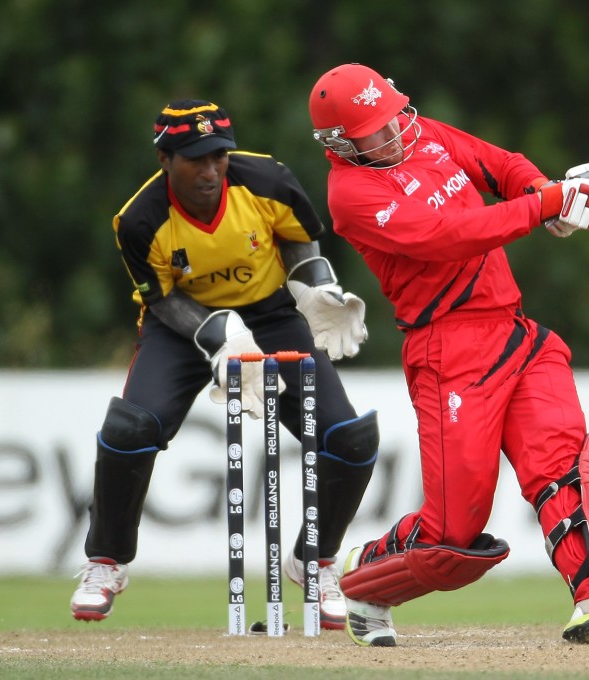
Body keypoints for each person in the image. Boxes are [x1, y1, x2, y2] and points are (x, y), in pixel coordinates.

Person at [306, 64, 589, 647]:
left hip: (515, 332)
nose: (394, 133)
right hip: (449, 353)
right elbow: (450, 235)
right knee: (454, 533)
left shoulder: (424, 135)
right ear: (340, 143)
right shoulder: (352, 194)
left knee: (561, 460)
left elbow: (501, 165)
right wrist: (547, 205)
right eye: (374, 129)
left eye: (395, 115)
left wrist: (547, 194)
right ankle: (363, 582)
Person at [70, 99, 378, 631]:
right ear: (165, 159)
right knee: (129, 429)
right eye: (195, 159)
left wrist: (318, 288)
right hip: (181, 328)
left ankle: (315, 560)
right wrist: (218, 334)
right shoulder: (140, 219)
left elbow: (301, 244)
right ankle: (106, 562)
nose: (211, 170)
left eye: (218, 157)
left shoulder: (268, 181)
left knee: (349, 440)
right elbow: (161, 299)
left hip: (271, 315)